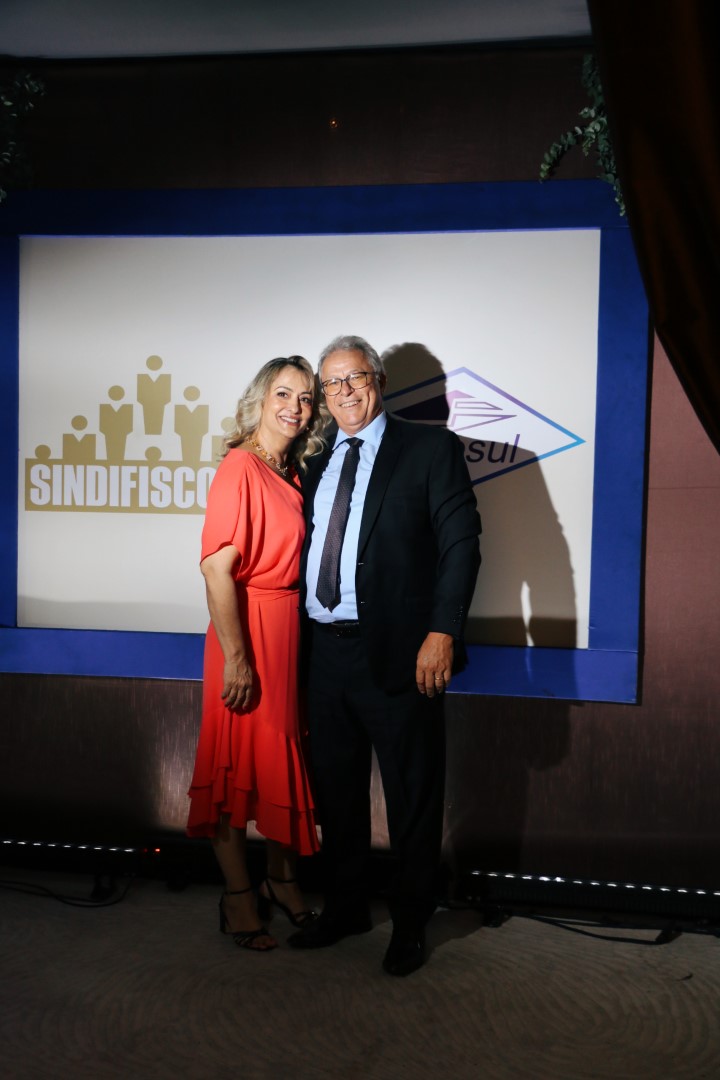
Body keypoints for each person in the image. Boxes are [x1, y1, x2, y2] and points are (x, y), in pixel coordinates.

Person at [289, 335, 481, 975]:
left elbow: (461, 544)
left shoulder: (428, 449)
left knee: (412, 796)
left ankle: (410, 922)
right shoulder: (313, 458)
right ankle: (345, 908)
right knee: (337, 795)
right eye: (332, 383)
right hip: (322, 655)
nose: (344, 392)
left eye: (356, 378)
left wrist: (442, 632)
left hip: (401, 655)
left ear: (380, 380)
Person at [187, 355, 325, 951]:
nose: (295, 407)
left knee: (281, 759)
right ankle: (239, 896)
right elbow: (216, 569)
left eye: (306, 397)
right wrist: (238, 658)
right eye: (284, 394)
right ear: (260, 399)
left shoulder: (289, 470)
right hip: (245, 632)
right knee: (232, 766)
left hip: (286, 629)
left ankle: (282, 882)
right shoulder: (240, 467)